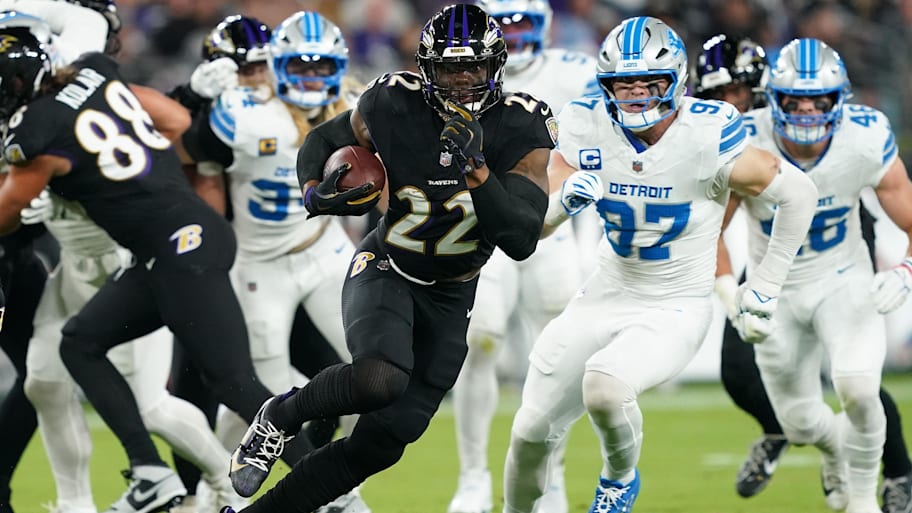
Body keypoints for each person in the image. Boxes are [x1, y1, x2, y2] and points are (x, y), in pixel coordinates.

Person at [219, 4, 554, 512]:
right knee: (379, 378)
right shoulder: (394, 101)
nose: (462, 81)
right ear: (427, 69)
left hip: (452, 293)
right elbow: (324, 138)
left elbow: (521, 238)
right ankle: (278, 416)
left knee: (385, 441)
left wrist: (478, 171)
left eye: (473, 67)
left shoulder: (521, 123)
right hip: (388, 266)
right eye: (448, 69)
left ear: (495, 66)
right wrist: (313, 191)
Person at [501, 16, 819, 513]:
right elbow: (533, 228)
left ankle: (618, 480)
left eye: (648, 83)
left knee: (605, 387)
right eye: (623, 84)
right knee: (528, 432)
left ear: (675, 82)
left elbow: (799, 192)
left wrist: (767, 283)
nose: (634, 96)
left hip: (675, 304)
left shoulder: (706, 131)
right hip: (605, 293)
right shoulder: (586, 122)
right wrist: (561, 205)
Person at [0, 25, 307, 513]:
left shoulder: (36, 133)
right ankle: (147, 473)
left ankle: (330, 485)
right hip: (160, 249)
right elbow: (174, 119)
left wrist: (80, 182)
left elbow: (6, 212)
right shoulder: (94, 76)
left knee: (231, 385)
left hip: (173, 249)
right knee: (76, 345)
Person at [695, 34, 912, 510]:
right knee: (799, 423)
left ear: (840, 100)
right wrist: (732, 297)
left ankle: (864, 499)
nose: (808, 111)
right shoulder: (744, 139)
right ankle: (835, 452)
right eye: (796, 100)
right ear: (774, 99)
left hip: (843, 276)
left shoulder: (864, 137)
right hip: (775, 286)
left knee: (858, 387)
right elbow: (708, 231)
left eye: (820, 100)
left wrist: (906, 270)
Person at [185, 10, 371, 513]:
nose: (310, 77)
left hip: (324, 249)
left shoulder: (357, 107)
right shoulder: (245, 111)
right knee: (259, 396)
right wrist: (197, 98)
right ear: (278, 65)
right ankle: (219, 488)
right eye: (300, 66)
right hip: (258, 264)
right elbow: (187, 149)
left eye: (320, 67)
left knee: (376, 372)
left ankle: (341, 489)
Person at [447, 2, 598, 513]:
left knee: (556, 354)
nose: (513, 35)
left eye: (522, 23)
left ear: (544, 25)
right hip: (483, 224)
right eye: (504, 24)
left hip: (550, 224)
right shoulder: (459, 73)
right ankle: (472, 476)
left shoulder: (574, 73)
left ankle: (551, 478)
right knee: (480, 340)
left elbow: (598, 144)